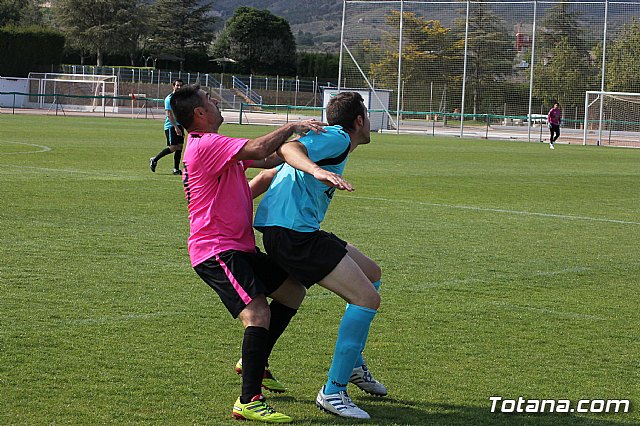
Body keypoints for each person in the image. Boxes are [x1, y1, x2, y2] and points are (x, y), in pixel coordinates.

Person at [169, 84, 352, 424]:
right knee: (257, 314)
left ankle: (256, 359)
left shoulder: (216, 147)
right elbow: (258, 147)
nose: (216, 102)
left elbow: (266, 160)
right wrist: (292, 127)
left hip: (239, 246)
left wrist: (304, 157)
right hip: (216, 250)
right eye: (210, 100)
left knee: (293, 291)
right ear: (199, 114)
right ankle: (248, 400)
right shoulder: (206, 144)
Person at [251, 92, 387, 420]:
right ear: (358, 121)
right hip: (293, 235)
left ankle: (352, 362)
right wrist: (316, 171)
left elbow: (272, 171)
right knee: (367, 299)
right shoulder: (337, 137)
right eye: (367, 116)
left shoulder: (330, 140)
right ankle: (334, 391)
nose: (369, 123)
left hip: (293, 232)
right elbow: (288, 148)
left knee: (371, 273)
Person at [150, 79, 185, 175]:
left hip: (179, 125)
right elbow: (169, 115)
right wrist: (175, 127)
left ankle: (176, 169)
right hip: (171, 125)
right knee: (173, 147)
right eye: (177, 85)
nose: (179, 87)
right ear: (173, 86)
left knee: (180, 147)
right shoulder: (169, 99)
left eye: (181, 85)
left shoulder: (181, 98)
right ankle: (154, 159)